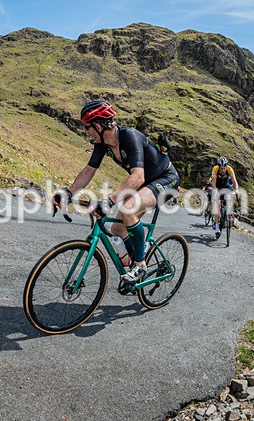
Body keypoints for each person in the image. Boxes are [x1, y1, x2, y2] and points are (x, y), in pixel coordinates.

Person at [54, 100, 179, 284]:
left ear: (98, 127)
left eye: (87, 127)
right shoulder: (102, 144)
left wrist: (110, 201)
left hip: (166, 179)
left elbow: (138, 177)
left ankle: (140, 265)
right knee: (117, 229)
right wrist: (69, 192)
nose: (86, 131)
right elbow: (89, 170)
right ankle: (138, 254)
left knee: (129, 209)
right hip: (146, 182)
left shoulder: (129, 136)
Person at [210, 156, 239, 239]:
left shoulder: (229, 169)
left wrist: (236, 190)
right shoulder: (215, 169)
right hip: (218, 186)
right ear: (219, 167)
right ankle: (217, 226)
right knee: (217, 204)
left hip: (226, 185)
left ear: (226, 167)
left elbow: (234, 181)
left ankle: (228, 210)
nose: (223, 170)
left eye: (224, 168)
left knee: (233, 195)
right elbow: (213, 183)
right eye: (221, 168)